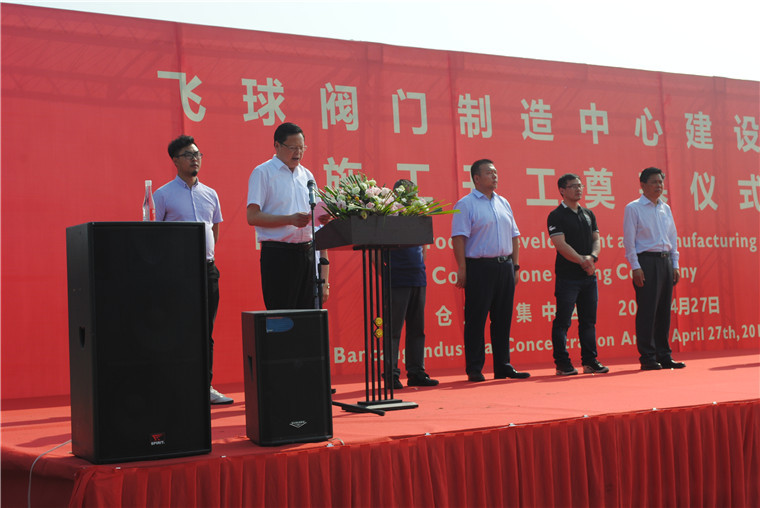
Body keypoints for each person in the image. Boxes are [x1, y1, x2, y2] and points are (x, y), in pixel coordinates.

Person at [154, 135, 233, 405]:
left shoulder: (210, 194)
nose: (195, 159)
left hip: (207, 271)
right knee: (178, 330)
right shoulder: (163, 195)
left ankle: (204, 386)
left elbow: (214, 231)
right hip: (178, 273)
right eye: (188, 155)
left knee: (205, 332)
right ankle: (176, 386)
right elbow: (154, 236)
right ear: (175, 161)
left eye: (197, 154)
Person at [451, 159, 530, 382]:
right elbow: (458, 238)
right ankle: (475, 368)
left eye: (495, 172)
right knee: (476, 319)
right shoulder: (465, 204)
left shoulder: (503, 202)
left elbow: (514, 236)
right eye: (489, 173)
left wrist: (515, 266)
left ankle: (503, 365)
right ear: (476, 178)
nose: (495, 176)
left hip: (504, 266)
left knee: (502, 319)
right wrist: (462, 268)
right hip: (479, 267)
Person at [247, 122, 329, 309]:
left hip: (307, 254)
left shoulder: (306, 175)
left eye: (301, 148)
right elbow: (252, 216)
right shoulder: (263, 172)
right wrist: (290, 220)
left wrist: (322, 217)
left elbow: (315, 213)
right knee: (282, 314)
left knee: (307, 315)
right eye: (292, 148)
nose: (298, 153)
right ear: (277, 145)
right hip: (279, 255)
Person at [623, 167, 686, 371]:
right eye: (654, 182)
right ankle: (648, 357)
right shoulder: (633, 208)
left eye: (660, 182)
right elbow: (629, 240)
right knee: (647, 311)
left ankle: (664, 355)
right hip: (646, 262)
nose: (659, 186)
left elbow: (673, 238)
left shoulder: (665, 208)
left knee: (664, 311)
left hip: (665, 261)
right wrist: (635, 266)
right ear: (642, 185)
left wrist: (675, 264)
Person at [547, 174, 609, 376]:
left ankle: (590, 361)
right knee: (563, 321)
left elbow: (596, 239)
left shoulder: (588, 213)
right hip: (568, 277)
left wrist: (592, 257)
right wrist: (582, 260)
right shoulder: (556, 215)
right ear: (562, 190)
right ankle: (562, 363)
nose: (578, 189)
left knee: (588, 321)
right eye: (573, 186)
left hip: (588, 277)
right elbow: (561, 245)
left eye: (580, 186)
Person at [388, 179, 439, 389]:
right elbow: (376, 252)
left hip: (418, 277)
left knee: (417, 328)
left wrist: (419, 269)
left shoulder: (419, 216)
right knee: (393, 330)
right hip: (396, 278)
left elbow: (424, 247)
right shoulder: (388, 217)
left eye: (412, 194)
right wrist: (385, 273)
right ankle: (390, 374)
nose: (409, 198)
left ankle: (416, 372)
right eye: (405, 194)